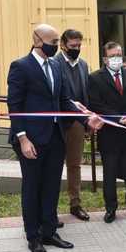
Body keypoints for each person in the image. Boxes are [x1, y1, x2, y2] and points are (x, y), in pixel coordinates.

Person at [7, 24, 102, 252]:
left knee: (51, 186)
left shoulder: (55, 66)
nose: (54, 45)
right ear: (37, 40)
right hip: (31, 140)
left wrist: (87, 117)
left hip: (55, 137)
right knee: (32, 187)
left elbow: (63, 100)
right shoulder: (21, 66)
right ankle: (34, 236)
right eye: (52, 41)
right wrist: (23, 138)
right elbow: (14, 106)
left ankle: (49, 231)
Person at [89, 41, 126, 223]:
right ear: (105, 59)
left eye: (119, 55)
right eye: (113, 56)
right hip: (109, 134)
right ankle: (111, 208)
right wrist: (118, 119)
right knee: (110, 173)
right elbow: (96, 104)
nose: (117, 59)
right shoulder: (95, 78)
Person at [52, 29, 90, 221]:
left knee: (74, 164)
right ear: (63, 46)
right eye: (73, 46)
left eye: (79, 46)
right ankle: (51, 209)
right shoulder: (54, 64)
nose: (76, 49)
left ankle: (75, 204)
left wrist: (87, 122)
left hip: (77, 122)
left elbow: (85, 94)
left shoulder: (83, 65)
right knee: (54, 166)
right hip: (57, 122)